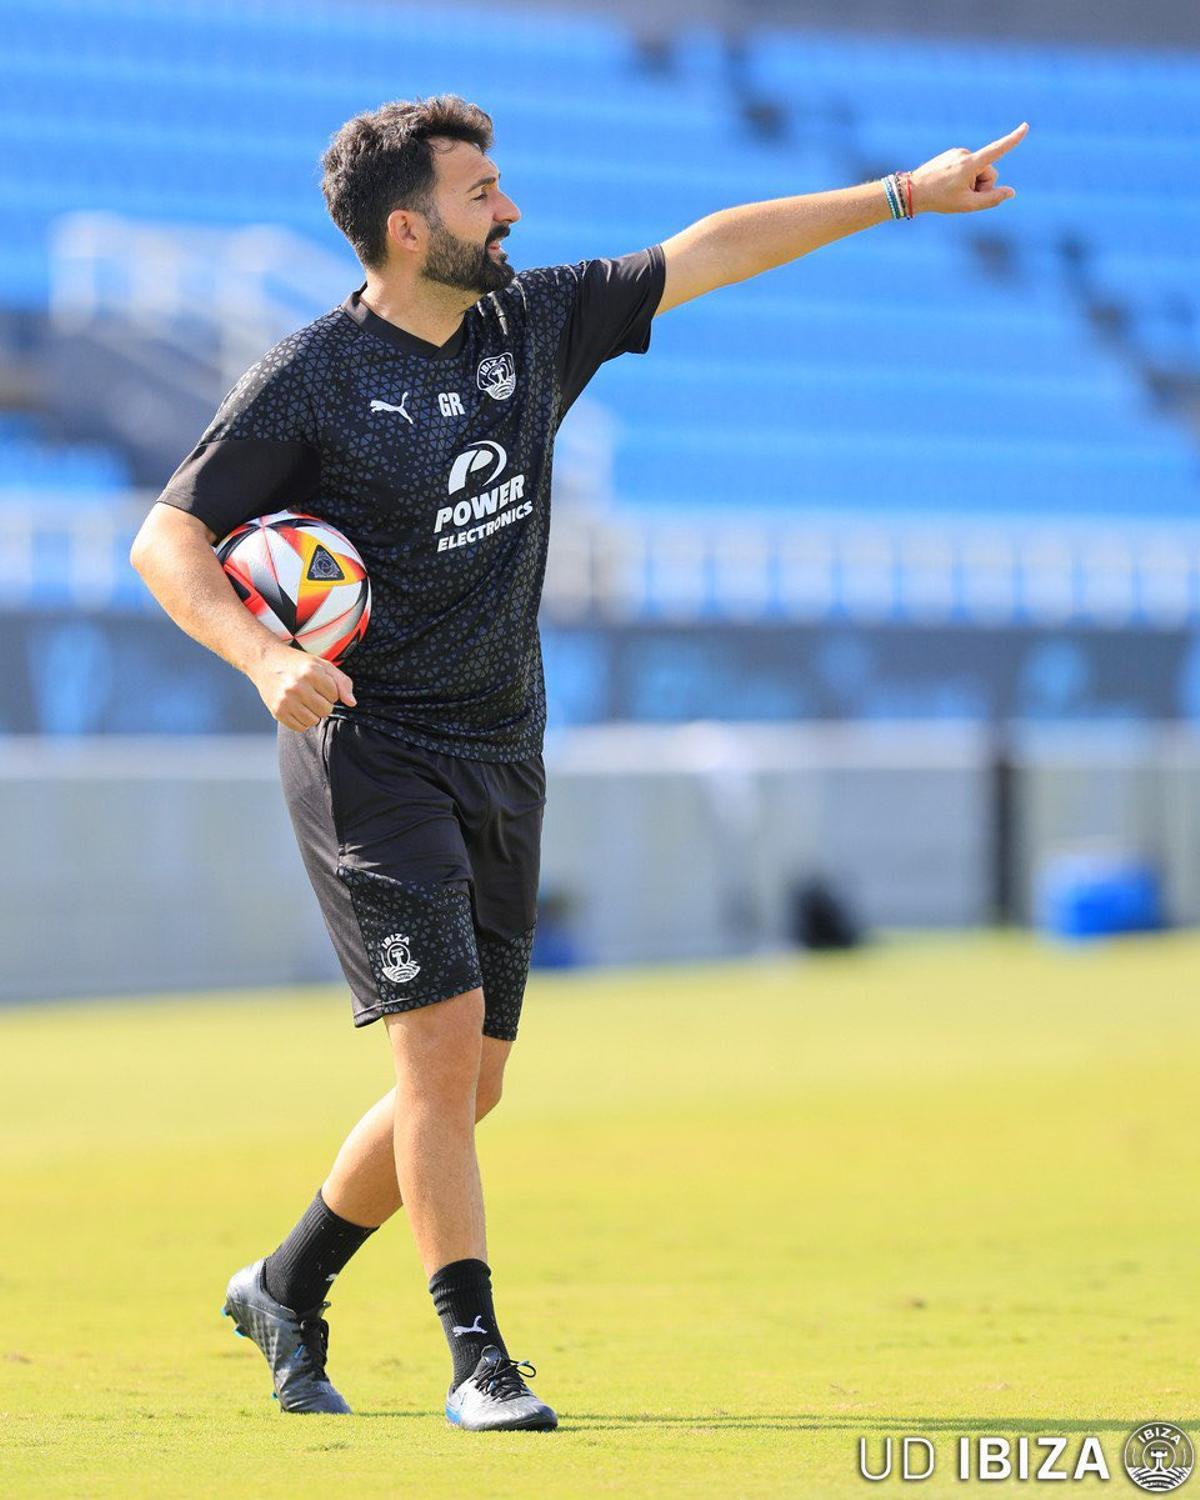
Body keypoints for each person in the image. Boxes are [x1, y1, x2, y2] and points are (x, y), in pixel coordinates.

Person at [130, 95, 1027, 1432]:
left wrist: (901, 191)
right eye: (483, 190)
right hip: (369, 754)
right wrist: (266, 663)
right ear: (407, 226)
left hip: (505, 744)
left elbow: (709, 250)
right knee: (438, 1064)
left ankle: (287, 1281)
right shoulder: (315, 373)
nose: (512, 209)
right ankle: (477, 1359)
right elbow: (167, 541)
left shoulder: (528, 324)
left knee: (470, 1085)